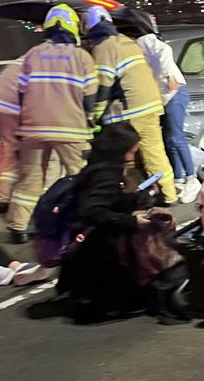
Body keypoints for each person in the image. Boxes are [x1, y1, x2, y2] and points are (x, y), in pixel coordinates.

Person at [5, 4, 98, 244]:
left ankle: (18, 228)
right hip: (70, 127)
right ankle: (82, 221)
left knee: (30, 178)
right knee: (79, 175)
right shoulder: (82, 57)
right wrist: (91, 118)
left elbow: (22, 92)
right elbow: (90, 98)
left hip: (33, 127)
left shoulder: (32, 54)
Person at [56, 123, 158, 322]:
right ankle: (113, 304)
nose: (131, 157)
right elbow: (93, 210)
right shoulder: (107, 173)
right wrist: (132, 221)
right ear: (119, 149)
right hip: (96, 246)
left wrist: (134, 198)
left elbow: (104, 200)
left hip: (82, 245)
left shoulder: (97, 163)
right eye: (130, 151)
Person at [84, 5, 178, 204]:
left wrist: (93, 116)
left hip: (128, 112)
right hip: (151, 106)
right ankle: (169, 195)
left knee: (121, 157)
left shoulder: (103, 48)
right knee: (155, 153)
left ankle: (126, 198)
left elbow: (103, 86)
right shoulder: (127, 42)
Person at [133, 19, 201, 204]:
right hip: (166, 95)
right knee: (170, 139)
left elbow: (164, 50)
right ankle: (179, 179)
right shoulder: (136, 43)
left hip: (174, 92)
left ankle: (191, 178)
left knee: (176, 137)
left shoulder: (143, 41)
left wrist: (168, 74)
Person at [0, 56, 23, 214]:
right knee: (16, 153)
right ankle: (7, 197)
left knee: (6, 149)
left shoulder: (25, 60)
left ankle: (3, 197)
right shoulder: (48, 62)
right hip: (13, 107)